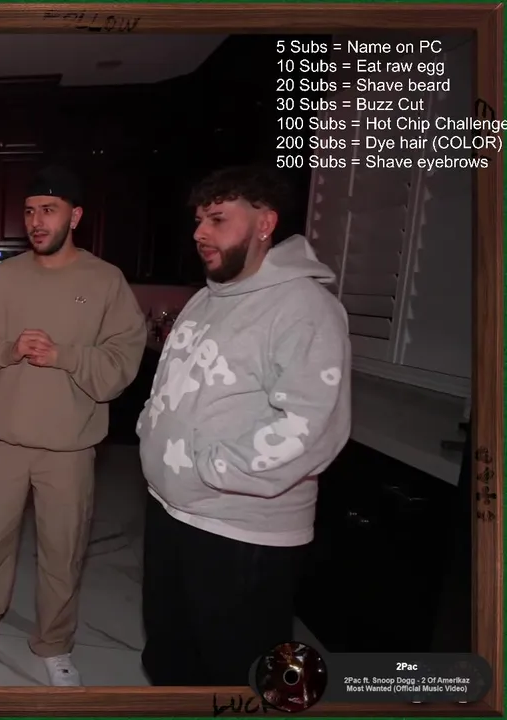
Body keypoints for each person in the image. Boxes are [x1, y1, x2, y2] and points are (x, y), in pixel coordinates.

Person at [136, 165, 351, 686]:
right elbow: (171, 386)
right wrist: (150, 430)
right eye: (198, 220)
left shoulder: (305, 308)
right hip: (173, 513)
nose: (199, 232)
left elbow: (313, 426)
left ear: (264, 223)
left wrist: (210, 468)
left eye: (217, 219)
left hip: (241, 531)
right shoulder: (205, 298)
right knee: (170, 656)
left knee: (234, 673)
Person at [0, 165, 147, 685]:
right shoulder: (7, 275)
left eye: (48, 210)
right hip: (1, 438)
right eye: (29, 211)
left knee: (62, 551)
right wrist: (9, 348)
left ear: (75, 216)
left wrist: (64, 355)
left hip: (68, 447)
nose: (36, 221)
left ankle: (53, 643)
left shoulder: (106, 280)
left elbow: (124, 359)